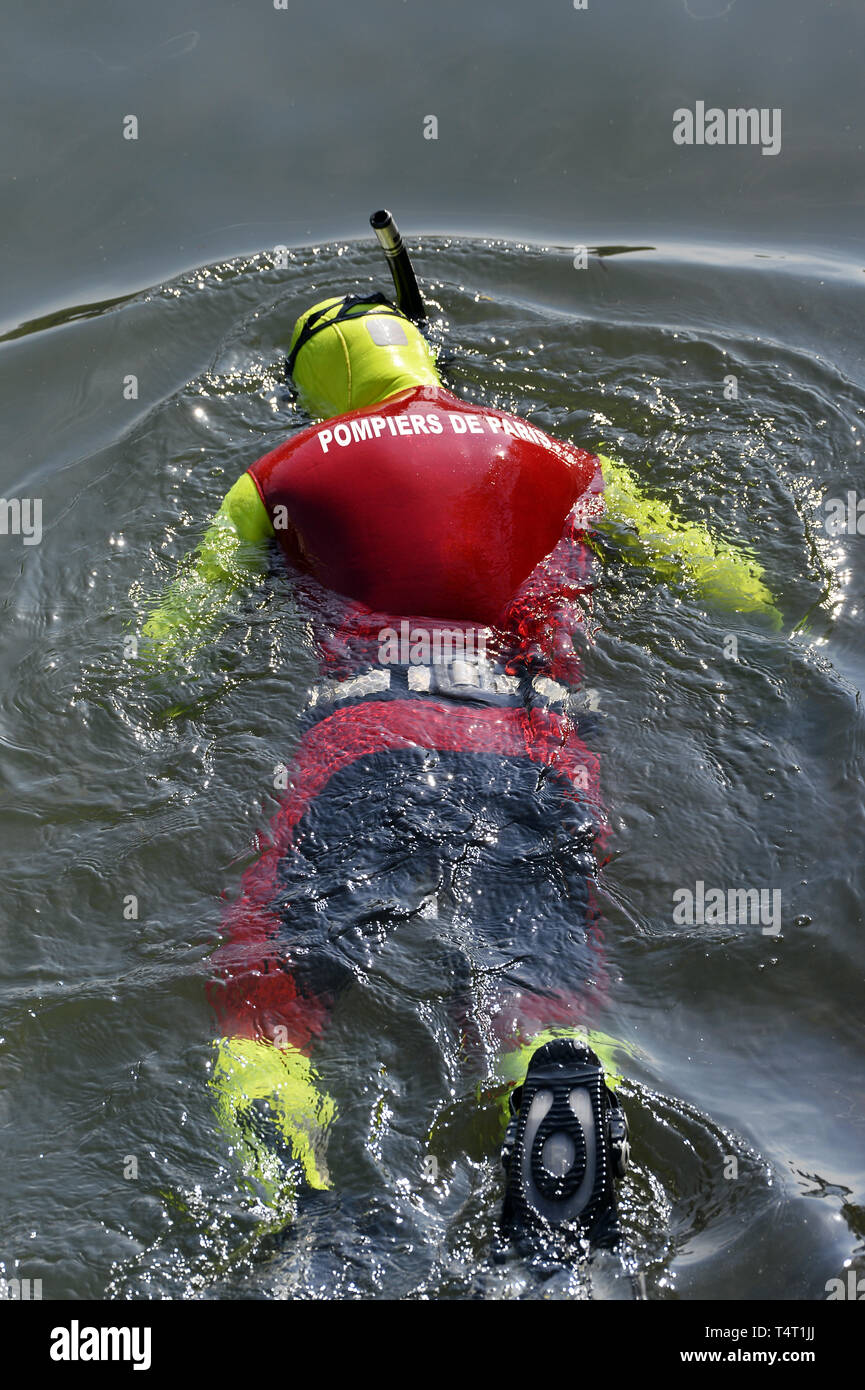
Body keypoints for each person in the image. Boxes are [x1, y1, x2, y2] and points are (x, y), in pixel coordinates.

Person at [142, 275, 779, 1243]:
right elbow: (737, 592)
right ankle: (561, 1181)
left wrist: (177, 698)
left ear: (313, 384)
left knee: (266, 1002)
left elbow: (166, 653)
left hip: (369, 734)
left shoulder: (278, 473)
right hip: (534, 733)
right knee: (545, 983)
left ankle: (301, 1219)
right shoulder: (560, 457)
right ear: (421, 355)